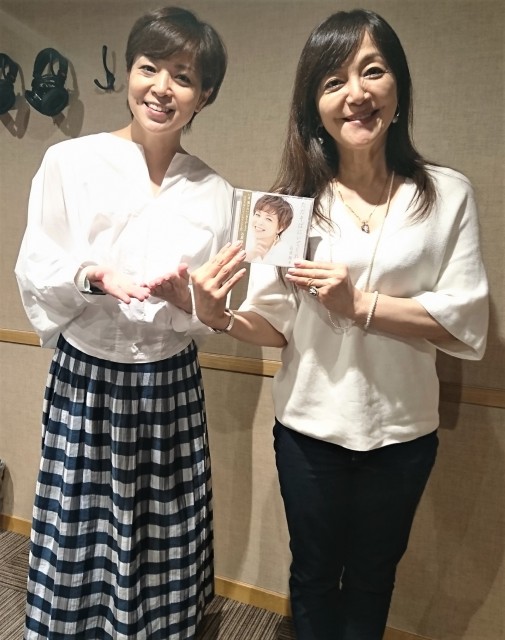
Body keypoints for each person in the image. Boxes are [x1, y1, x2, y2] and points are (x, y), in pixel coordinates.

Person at [188, 9, 489, 640]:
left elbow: (464, 319)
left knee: (375, 577)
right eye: (333, 81)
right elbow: (274, 323)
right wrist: (220, 317)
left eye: (371, 71)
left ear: (398, 86)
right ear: (314, 107)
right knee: (314, 575)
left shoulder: (447, 194)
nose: (355, 93)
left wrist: (362, 306)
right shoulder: (288, 204)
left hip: (402, 432)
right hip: (309, 431)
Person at [15, 7, 231, 639]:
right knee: (76, 528)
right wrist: (92, 274)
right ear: (129, 74)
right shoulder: (70, 161)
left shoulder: (215, 192)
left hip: (169, 382)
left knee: (163, 530)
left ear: (204, 95)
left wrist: (192, 302)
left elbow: (218, 310)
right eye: (148, 68)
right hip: (86, 375)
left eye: (183, 77)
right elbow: (36, 266)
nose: (162, 88)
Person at [245, 194, 294, 264]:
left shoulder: (283, 252)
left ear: (280, 228)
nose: (259, 222)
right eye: (258, 215)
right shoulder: (246, 243)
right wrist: (249, 256)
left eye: (268, 219)